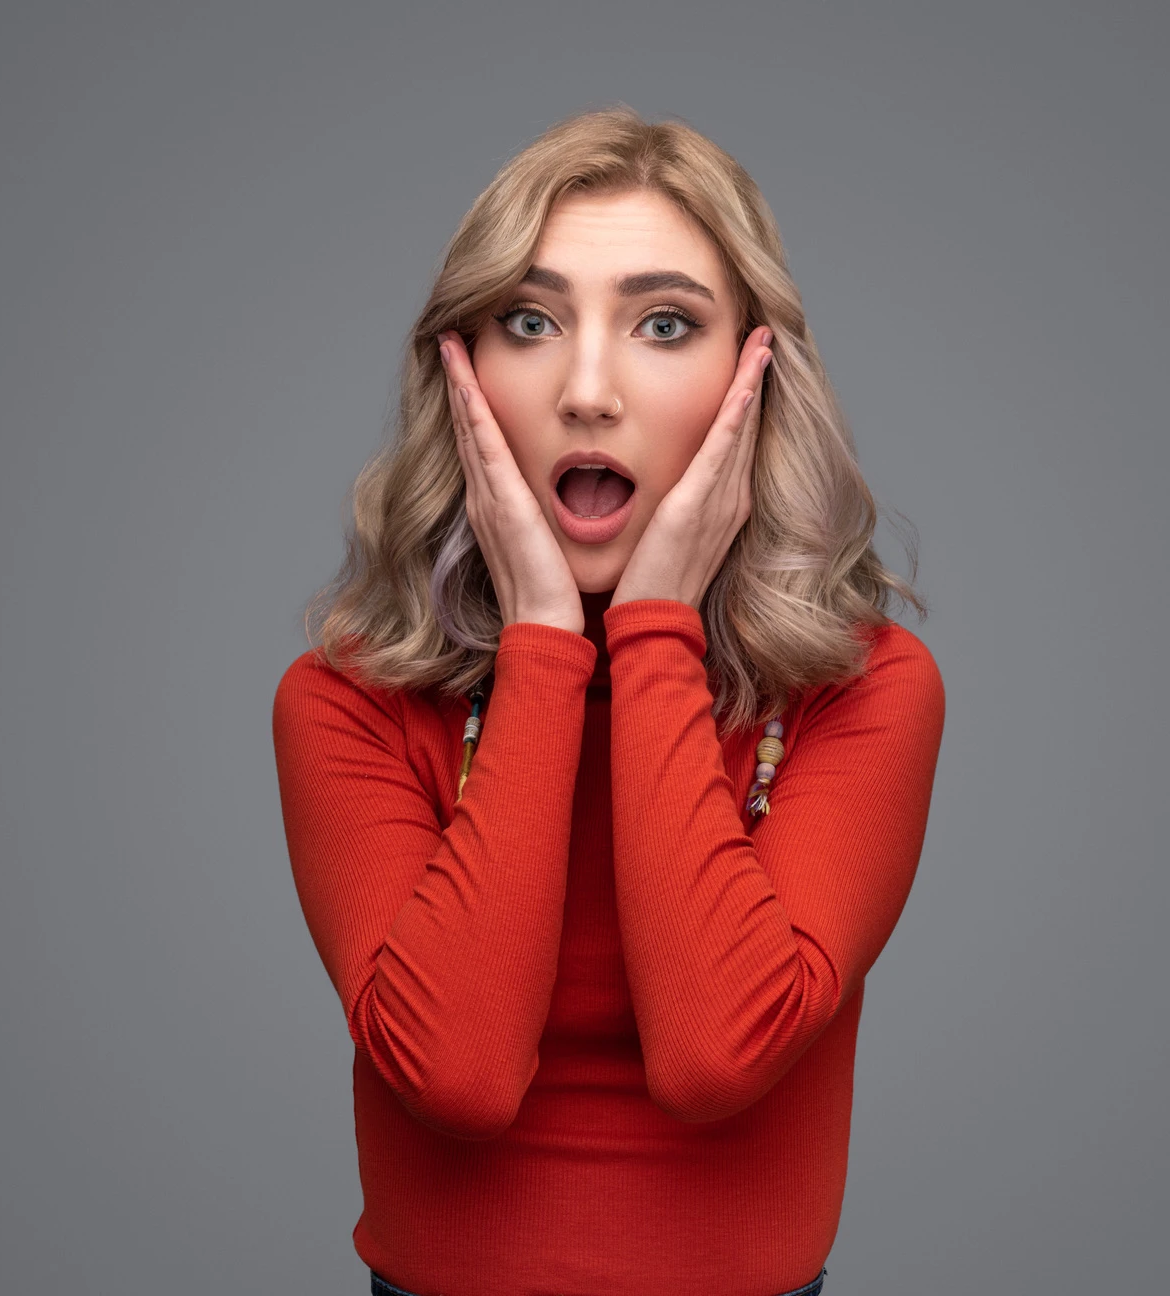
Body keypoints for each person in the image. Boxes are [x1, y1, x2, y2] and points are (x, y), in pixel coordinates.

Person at [271, 105, 945, 1296]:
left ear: (756, 375)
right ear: (463, 371)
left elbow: (713, 1055)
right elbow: (456, 1076)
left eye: (663, 324)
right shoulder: (345, 700)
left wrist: (650, 633)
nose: (587, 390)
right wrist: (541, 639)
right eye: (528, 322)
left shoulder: (864, 691)